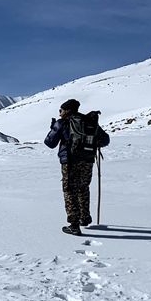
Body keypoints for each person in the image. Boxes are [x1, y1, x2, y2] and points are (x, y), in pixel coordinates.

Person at [44, 99, 110, 236]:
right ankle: (84, 218)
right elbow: (105, 140)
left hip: (70, 160)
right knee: (83, 187)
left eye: (60, 110)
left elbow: (50, 143)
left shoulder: (62, 122)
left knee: (69, 190)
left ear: (67, 110)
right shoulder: (89, 121)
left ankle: (74, 225)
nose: (60, 113)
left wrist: (53, 129)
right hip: (87, 161)